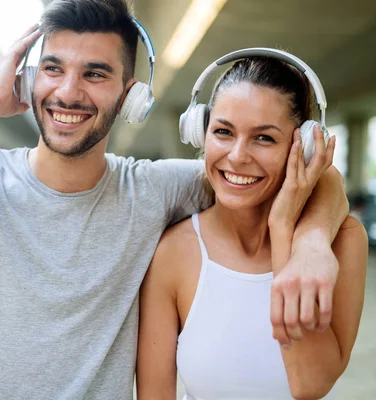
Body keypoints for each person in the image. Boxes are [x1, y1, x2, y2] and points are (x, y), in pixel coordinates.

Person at [0, 1, 348, 399]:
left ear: (131, 95)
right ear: (29, 79)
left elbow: (303, 172)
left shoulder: (156, 189)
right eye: (53, 68)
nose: (68, 92)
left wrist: (311, 244)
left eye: (95, 74)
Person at [136, 52, 367, 400]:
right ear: (202, 133)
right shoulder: (174, 251)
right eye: (224, 132)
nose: (238, 156)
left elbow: (310, 385)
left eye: (264, 138)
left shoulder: (342, 243)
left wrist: (285, 228)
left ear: (301, 147)